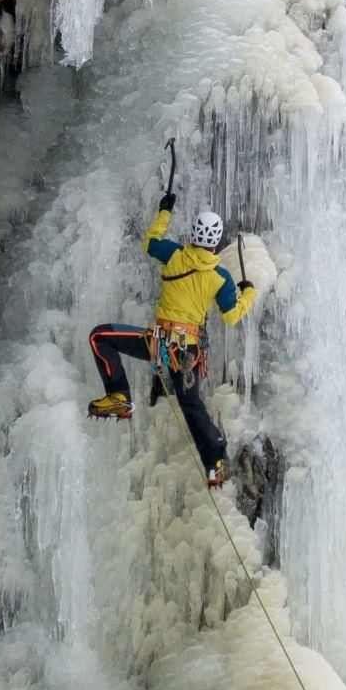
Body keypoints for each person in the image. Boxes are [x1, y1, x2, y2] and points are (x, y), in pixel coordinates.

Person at [88, 190, 257, 486]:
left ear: (193, 234)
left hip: (159, 342)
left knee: (100, 336)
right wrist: (249, 293)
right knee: (190, 404)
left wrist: (165, 211)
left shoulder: (175, 254)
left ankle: (120, 396)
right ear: (217, 242)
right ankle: (214, 463)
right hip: (189, 350)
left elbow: (150, 242)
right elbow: (231, 316)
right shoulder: (221, 277)